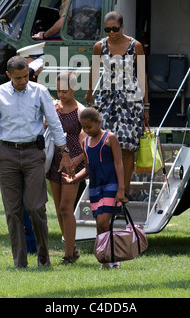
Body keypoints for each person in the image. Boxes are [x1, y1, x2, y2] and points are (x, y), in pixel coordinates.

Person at [0, 56, 72, 269]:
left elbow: (56, 124)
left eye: (26, 77)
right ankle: (20, 261)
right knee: (12, 211)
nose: (23, 81)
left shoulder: (39, 92)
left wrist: (64, 152)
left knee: (35, 207)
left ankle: (43, 256)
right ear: (8, 75)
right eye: (18, 78)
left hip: (33, 153)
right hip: (7, 153)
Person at [85, 11, 149, 196]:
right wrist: (89, 93)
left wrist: (146, 106)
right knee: (105, 143)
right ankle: (109, 187)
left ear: (122, 27)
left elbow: (142, 74)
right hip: (107, 98)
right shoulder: (100, 46)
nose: (111, 32)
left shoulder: (135, 46)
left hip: (131, 100)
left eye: (115, 29)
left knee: (127, 146)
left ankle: (124, 190)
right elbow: (94, 70)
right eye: (107, 29)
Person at [62, 107, 127, 269]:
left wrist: (121, 189)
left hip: (111, 185)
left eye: (89, 127)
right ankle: (105, 261)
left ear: (99, 122)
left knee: (104, 221)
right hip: (95, 188)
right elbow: (88, 167)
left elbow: (119, 163)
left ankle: (114, 258)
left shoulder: (110, 138)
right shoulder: (85, 143)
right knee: (100, 224)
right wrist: (75, 177)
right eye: (83, 128)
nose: (86, 130)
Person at [46, 72, 86, 265]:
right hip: (54, 159)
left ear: (74, 88)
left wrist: (76, 161)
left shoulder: (80, 111)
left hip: (72, 162)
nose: (61, 95)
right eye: (59, 91)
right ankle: (72, 248)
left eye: (65, 91)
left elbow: (86, 143)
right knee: (58, 208)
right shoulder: (53, 107)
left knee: (65, 207)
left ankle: (68, 255)